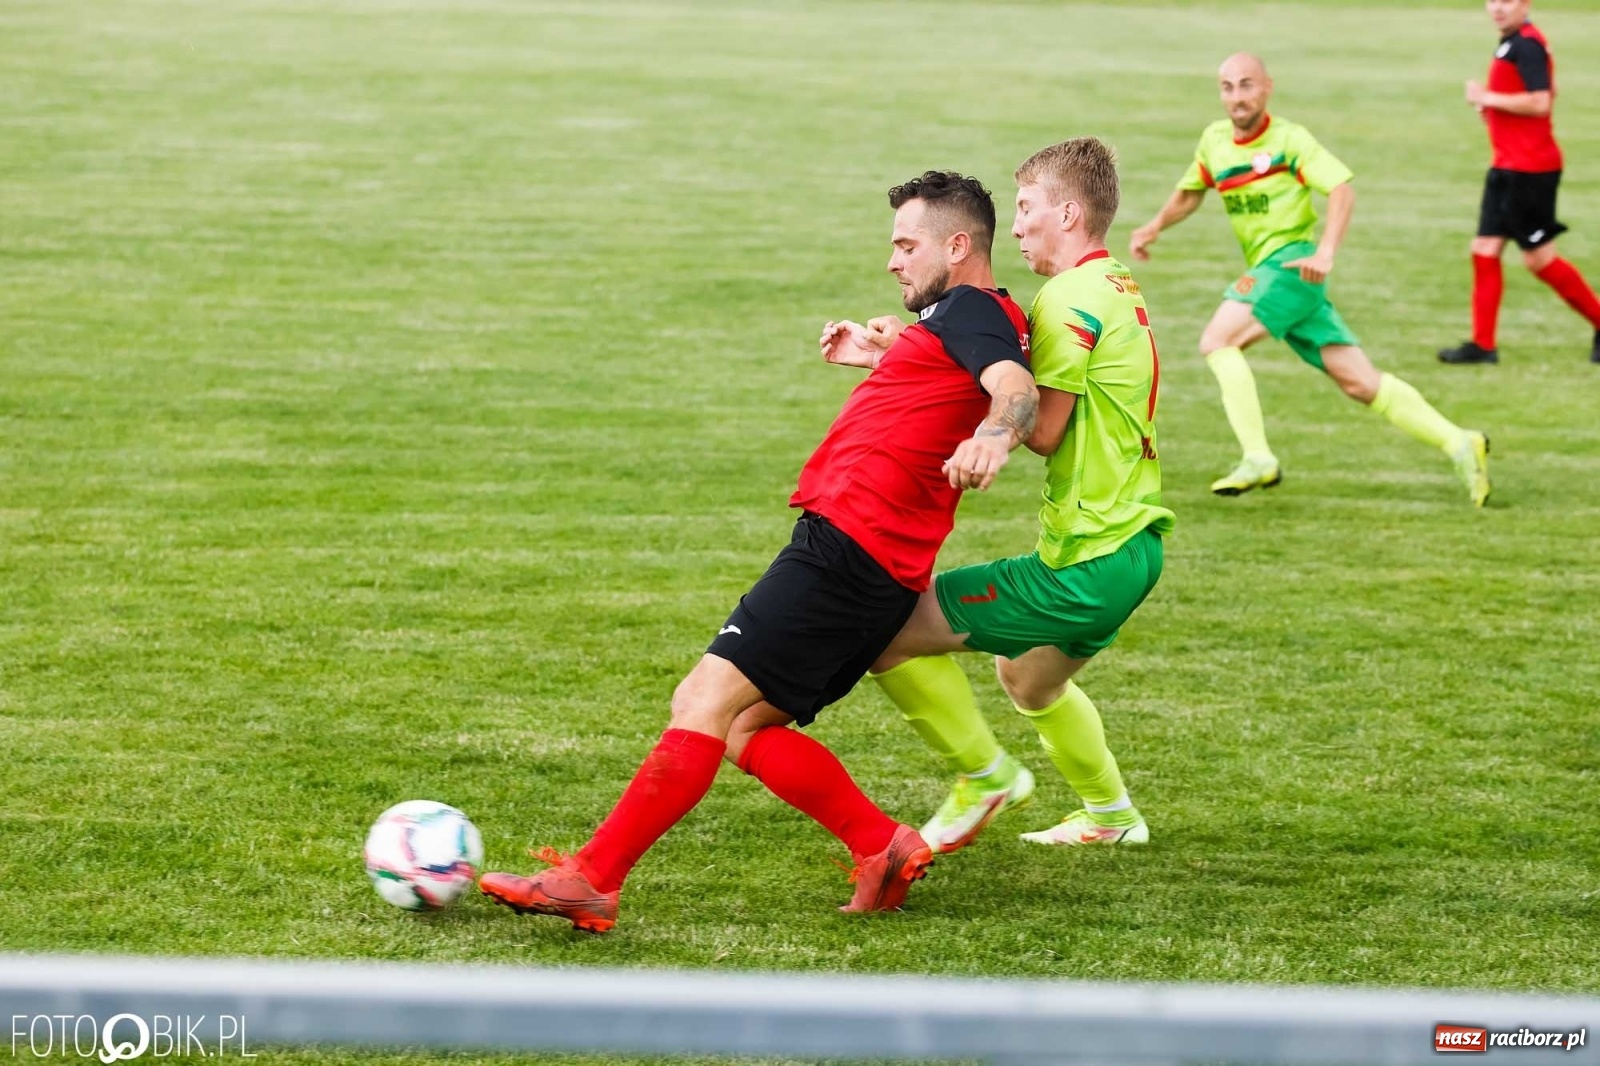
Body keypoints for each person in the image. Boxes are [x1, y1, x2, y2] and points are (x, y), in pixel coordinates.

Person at [477, 171, 1038, 933]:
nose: (893, 262)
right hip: (876, 566)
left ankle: (592, 878)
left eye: (907, 246)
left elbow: (1011, 385)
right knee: (746, 731)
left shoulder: (976, 314)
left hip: (846, 549)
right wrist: (886, 357)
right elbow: (955, 377)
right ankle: (882, 845)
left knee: (700, 704)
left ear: (960, 245)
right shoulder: (965, 318)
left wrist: (994, 436)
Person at [848, 139, 1173, 853]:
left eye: (1026, 209)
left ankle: (984, 777)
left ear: (1067, 210)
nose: (1017, 227)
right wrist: (903, 350)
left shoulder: (1065, 298)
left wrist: (988, 429)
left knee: (885, 632)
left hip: (1087, 559)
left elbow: (1043, 429)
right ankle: (1112, 816)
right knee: (1027, 678)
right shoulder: (1113, 281)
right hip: (1136, 546)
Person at [1129, 54, 1492, 507]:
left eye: (1246, 85)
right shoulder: (1214, 140)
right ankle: (1460, 442)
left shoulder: (1289, 140)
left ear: (1267, 88)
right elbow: (1191, 191)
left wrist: (1326, 251)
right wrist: (1154, 226)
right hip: (1285, 278)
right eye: (1227, 87)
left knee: (1217, 341)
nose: (1237, 97)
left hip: (1292, 264)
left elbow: (1341, 188)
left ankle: (1258, 457)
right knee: (1360, 382)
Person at [1437, 0, 1600, 365]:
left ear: (1526, 3)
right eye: (1492, 0)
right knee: (1484, 249)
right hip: (1507, 166)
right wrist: (1491, 109)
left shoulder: (1526, 44)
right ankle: (1482, 346)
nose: (1497, 8)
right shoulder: (1513, 41)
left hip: (1530, 169)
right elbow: (1545, 89)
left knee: (1539, 259)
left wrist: (1487, 97)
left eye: (1507, 0)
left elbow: (1542, 101)